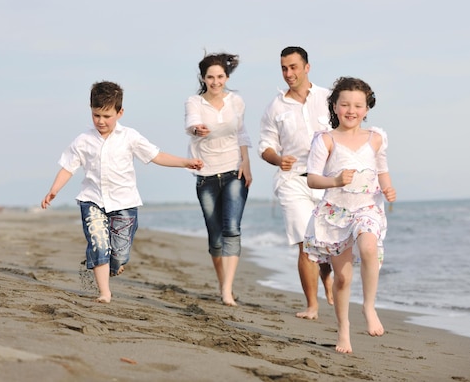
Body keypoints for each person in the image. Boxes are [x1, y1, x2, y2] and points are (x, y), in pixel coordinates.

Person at [41, 81, 203, 304]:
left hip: (125, 203)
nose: (101, 121)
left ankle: (113, 265)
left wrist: (185, 162)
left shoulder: (130, 137)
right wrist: (54, 189)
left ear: (120, 112)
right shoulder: (83, 140)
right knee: (98, 243)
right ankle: (104, 292)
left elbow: (157, 156)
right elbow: (68, 167)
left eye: (107, 116)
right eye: (96, 115)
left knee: (119, 255)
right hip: (92, 200)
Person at [303, 76, 396, 353]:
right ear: (334, 106)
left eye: (358, 105)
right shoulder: (326, 140)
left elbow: (382, 171)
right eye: (345, 105)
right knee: (342, 277)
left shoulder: (376, 138)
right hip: (336, 213)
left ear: (367, 109)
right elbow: (312, 179)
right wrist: (335, 181)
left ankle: (369, 306)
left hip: (367, 206)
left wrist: (389, 188)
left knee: (368, 246)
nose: (351, 110)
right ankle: (343, 330)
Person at [259, 46, 333, 319]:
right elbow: (265, 146)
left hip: (327, 180)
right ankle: (312, 305)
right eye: (284, 68)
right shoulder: (275, 107)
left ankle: (326, 274)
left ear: (307, 67)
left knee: (327, 240)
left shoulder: (328, 98)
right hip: (292, 180)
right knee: (306, 240)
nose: (288, 73)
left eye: (293, 67)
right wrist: (278, 159)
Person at [185, 52, 252, 307]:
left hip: (234, 170)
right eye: (210, 77)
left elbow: (242, 133)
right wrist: (196, 129)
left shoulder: (236, 102)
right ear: (204, 78)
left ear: (226, 77)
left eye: (220, 77)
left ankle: (227, 290)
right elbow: (191, 123)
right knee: (215, 237)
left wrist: (246, 163)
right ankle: (222, 282)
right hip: (206, 175)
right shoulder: (194, 102)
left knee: (232, 229)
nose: (215, 82)